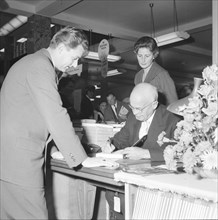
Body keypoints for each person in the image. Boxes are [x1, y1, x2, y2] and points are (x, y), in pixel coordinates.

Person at [0, 26, 117, 220]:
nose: (75, 63)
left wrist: (55, 150)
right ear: (61, 48)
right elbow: (55, 113)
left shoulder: (31, 63)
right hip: (20, 161)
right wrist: (82, 158)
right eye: (74, 57)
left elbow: (33, 114)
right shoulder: (40, 66)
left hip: (9, 159)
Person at [102, 83, 181, 219]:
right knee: (112, 195)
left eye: (139, 109)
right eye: (132, 107)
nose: (135, 113)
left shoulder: (173, 120)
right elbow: (121, 138)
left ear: (154, 104)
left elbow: (181, 153)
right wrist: (111, 144)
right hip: (131, 181)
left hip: (158, 185)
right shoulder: (133, 117)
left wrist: (146, 154)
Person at [134, 36, 178, 106]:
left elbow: (173, 102)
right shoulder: (137, 76)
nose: (143, 60)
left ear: (154, 55)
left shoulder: (162, 74)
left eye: (147, 56)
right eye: (140, 55)